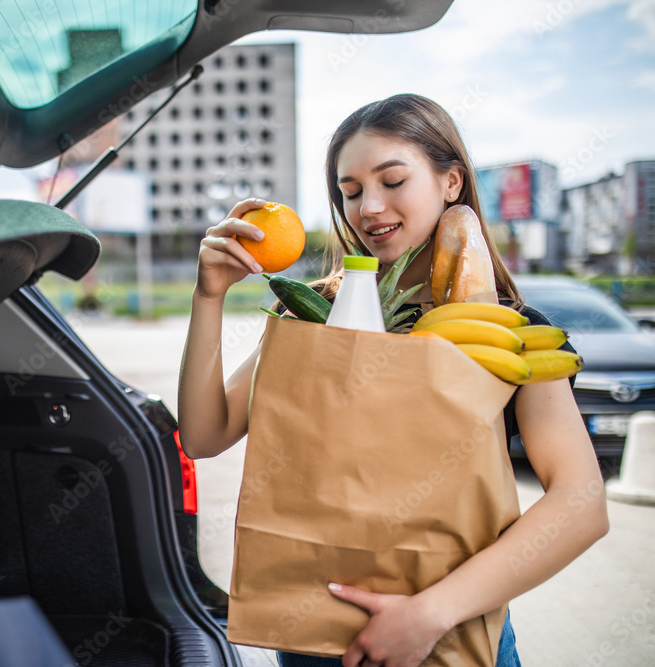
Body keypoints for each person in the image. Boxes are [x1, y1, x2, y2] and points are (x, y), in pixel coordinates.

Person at [176, 93, 609, 667]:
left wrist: (430, 613)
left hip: (447, 634)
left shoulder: (508, 332)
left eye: (393, 180)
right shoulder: (317, 316)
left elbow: (581, 504)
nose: (369, 207)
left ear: (451, 182)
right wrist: (209, 296)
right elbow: (205, 436)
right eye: (350, 192)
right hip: (313, 634)